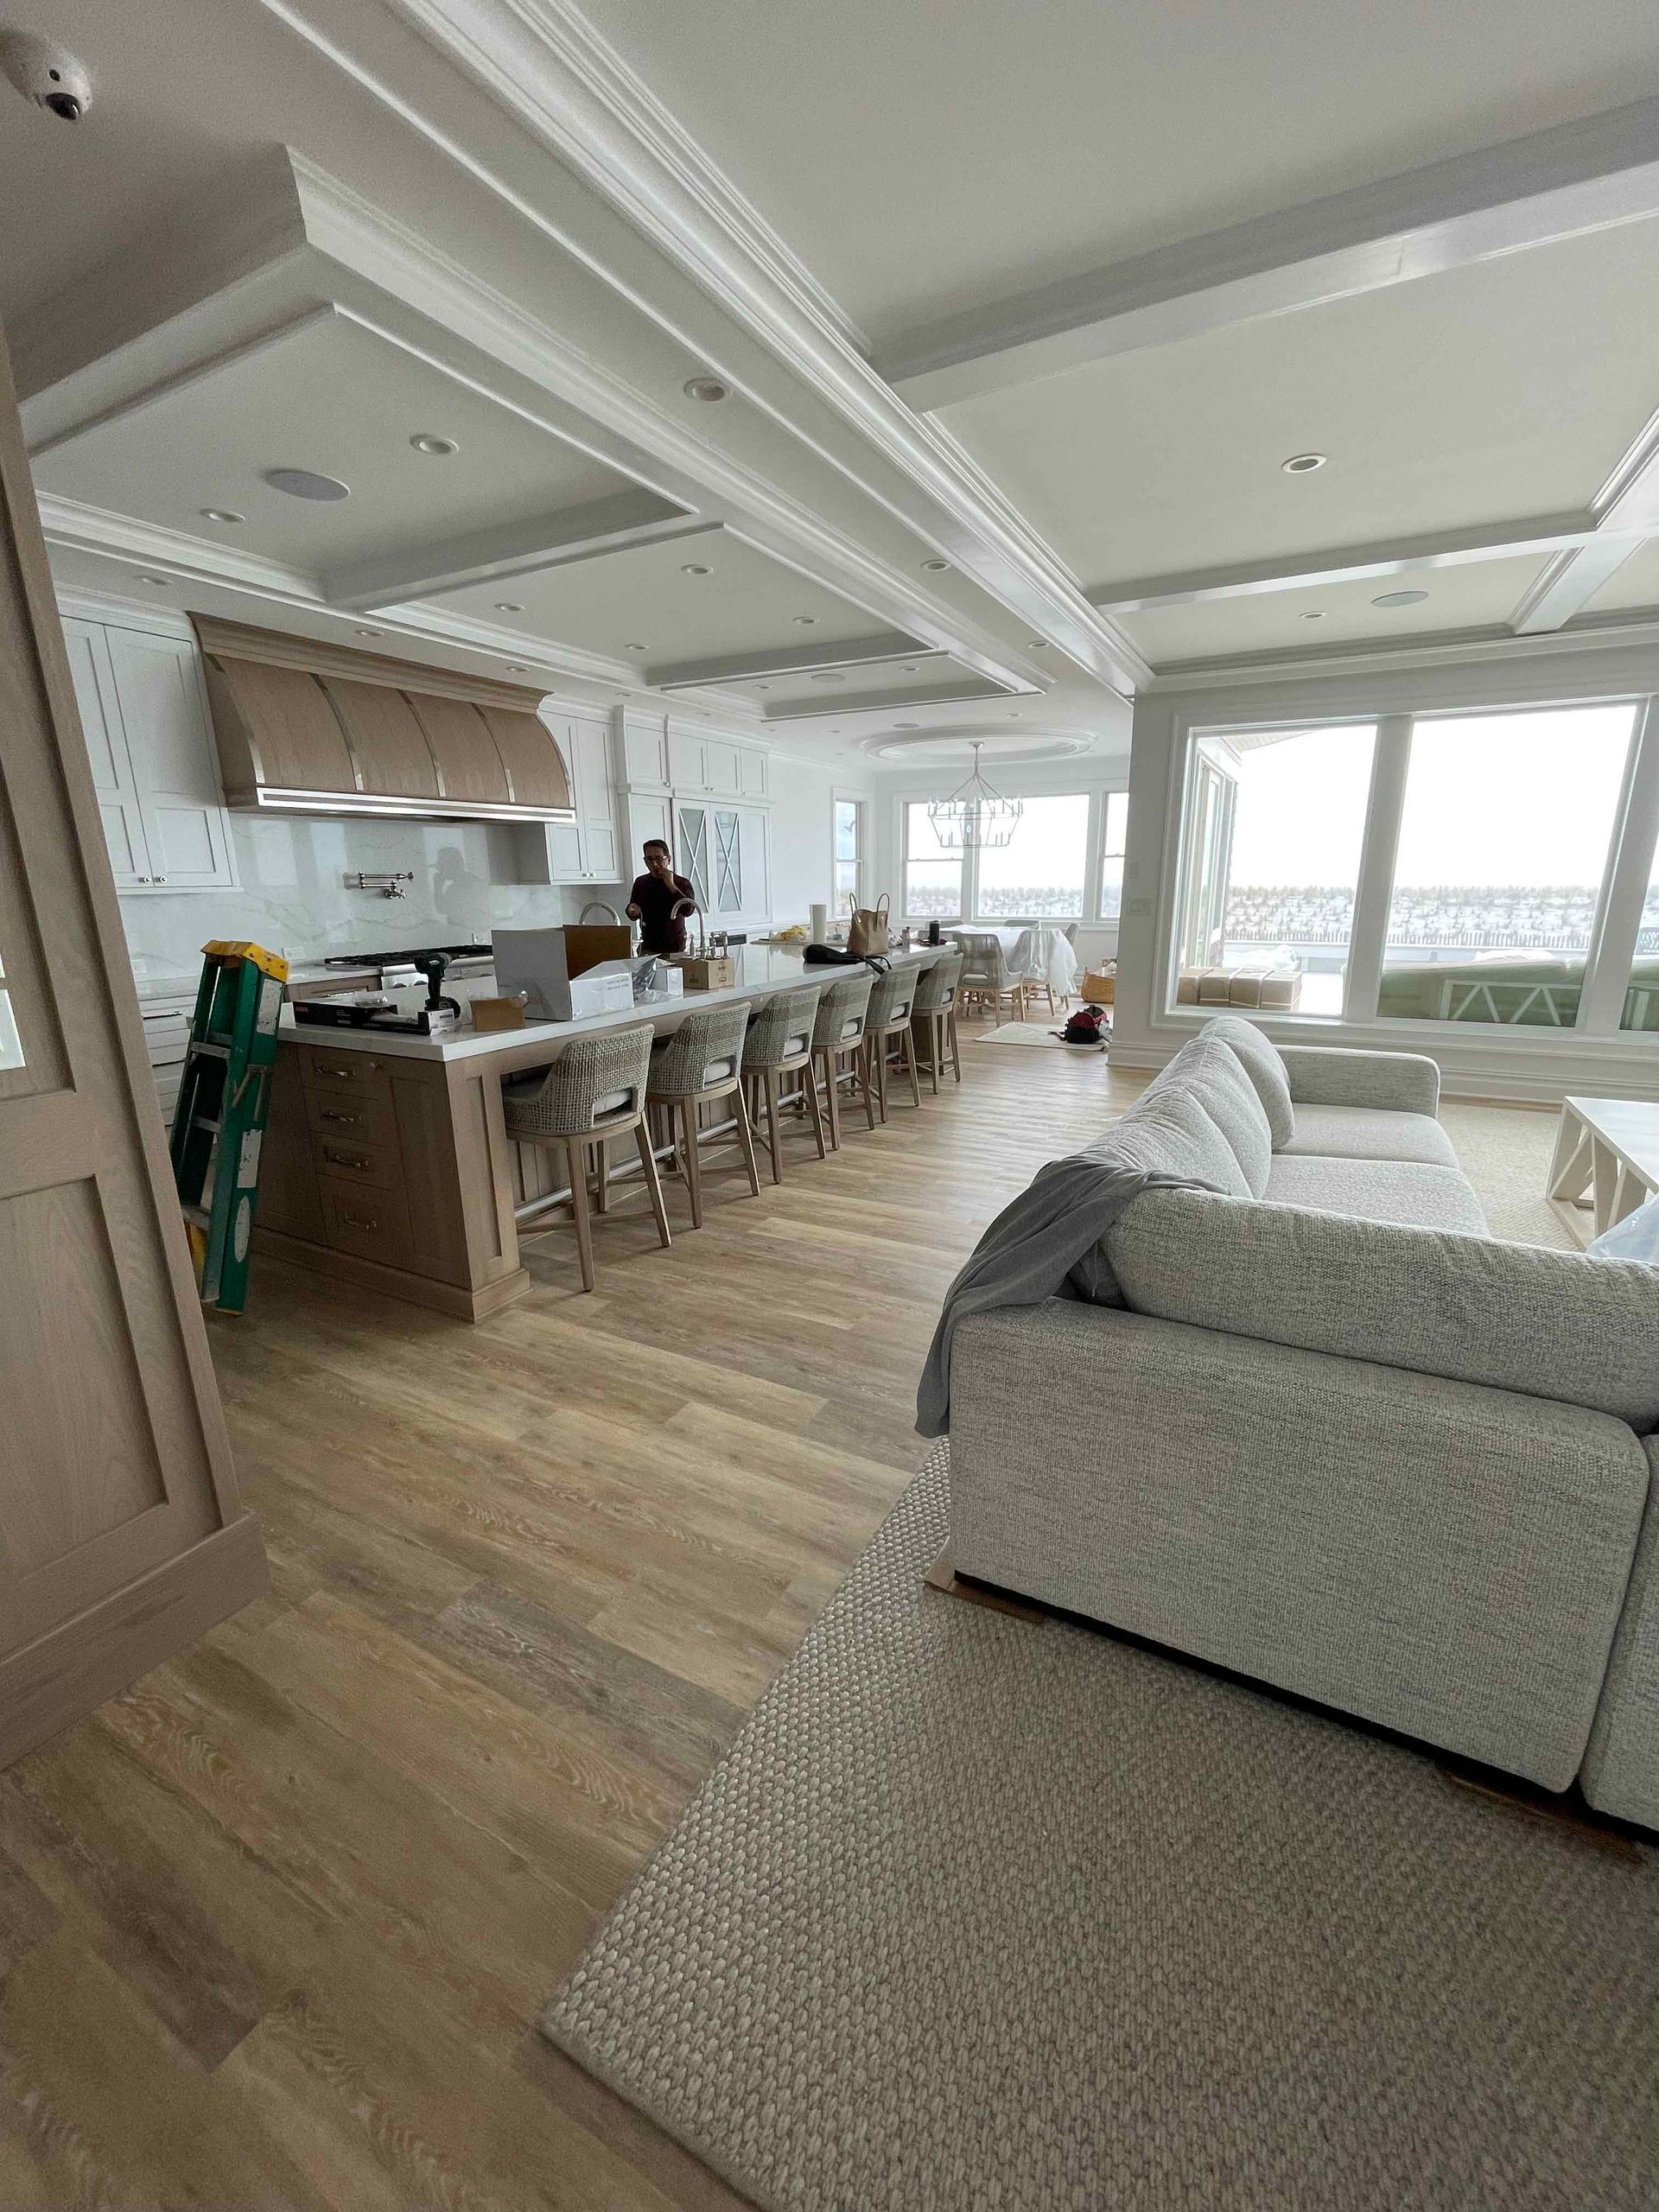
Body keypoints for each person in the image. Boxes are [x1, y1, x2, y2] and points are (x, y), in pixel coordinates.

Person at [626, 839, 696, 955]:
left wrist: (671, 885)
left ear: (668, 859)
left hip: (675, 947)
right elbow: (633, 909)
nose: (654, 864)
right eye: (650, 859)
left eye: (658, 858)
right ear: (645, 861)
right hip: (648, 946)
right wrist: (632, 910)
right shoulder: (641, 882)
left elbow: (688, 910)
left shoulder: (682, 883)